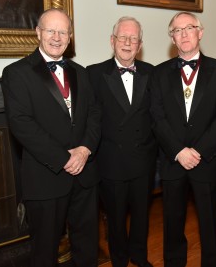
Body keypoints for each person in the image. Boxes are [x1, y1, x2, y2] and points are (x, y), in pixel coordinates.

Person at [1, 8, 101, 267]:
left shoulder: (81, 72)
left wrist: (85, 150)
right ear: (38, 33)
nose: (57, 37)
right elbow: (21, 125)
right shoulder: (16, 73)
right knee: (44, 253)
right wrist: (63, 158)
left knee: (88, 248)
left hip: (85, 177)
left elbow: (94, 115)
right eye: (50, 31)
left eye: (63, 32)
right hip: (46, 178)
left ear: (70, 37)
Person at [150, 12, 216, 267]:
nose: (183, 34)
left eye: (189, 28)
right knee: (172, 220)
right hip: (173, 162)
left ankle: (213, 263)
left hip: (206, 161)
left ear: (200, 32)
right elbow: (157, 117)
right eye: (177, 30)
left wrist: (199, 150)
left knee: (210, 221)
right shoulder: (158, 73)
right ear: (172, 38)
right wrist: (178, 151)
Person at [87, 17, 157, 267]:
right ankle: (118, 259)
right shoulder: (94, 73)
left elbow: (158, 116)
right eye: (122, 37)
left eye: (133, 38)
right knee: (115, 218)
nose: (128, 43)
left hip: (143, 160)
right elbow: (89, 119)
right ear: (112, 40)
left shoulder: (152, 72)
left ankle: (138, 256)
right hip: (111, 161)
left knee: (141, 216)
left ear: (140, 44)